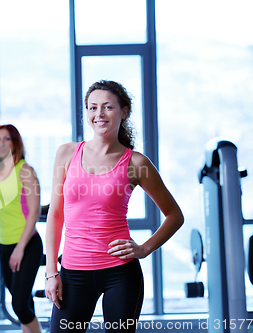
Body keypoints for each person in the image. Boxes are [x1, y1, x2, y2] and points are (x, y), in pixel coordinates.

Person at [45, 80, 184, 333]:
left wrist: (143, 249)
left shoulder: (137, 163)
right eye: (92, 107)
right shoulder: (66, 154)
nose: (99, 114)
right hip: (73, 273)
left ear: (124, 111)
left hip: (120, 274)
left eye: (107, 107)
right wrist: (51, 272)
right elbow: (55, 215)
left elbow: (174, 215)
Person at [0, 124, 44, 333]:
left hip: (26, 243)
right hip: (4, 243)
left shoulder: (25, 171)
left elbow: (34, 212)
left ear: (15, 143)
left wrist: (20, 248)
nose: (1, 143)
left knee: (19, 306)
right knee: (23, 301)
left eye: (6, 139)